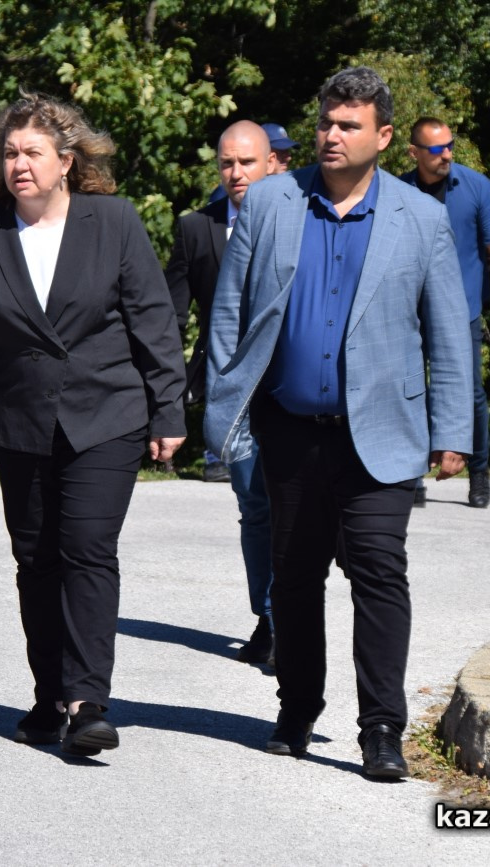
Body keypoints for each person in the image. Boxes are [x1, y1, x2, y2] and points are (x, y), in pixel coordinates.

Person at [205, 67, 473, 778]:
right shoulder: (271, 202)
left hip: (381, 432)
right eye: (326, 121)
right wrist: (223, 412)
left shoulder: (421, 218)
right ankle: (296, 707)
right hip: (289, 428)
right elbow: (229, 312)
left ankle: (381, 728)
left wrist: (453, 430)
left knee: (379, 573)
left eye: (348, 125)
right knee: (294, 577)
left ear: (383, 136)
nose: (331, 134)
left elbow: (448, 332)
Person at [0, 92, 187, 756]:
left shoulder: (115, 221)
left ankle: (87, 701)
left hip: (106, 412)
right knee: (36, 560)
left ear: (67, 161)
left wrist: (168, 408)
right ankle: (49, 695)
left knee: (87, 548)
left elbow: (153, 320)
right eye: (10, 153)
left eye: (33, 153)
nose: (19, 164)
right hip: (19, 419)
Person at [164, 120, 275, 665]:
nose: (236, 173)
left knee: (296, 507)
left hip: (293, 386)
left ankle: (287, 616)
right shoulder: (196, 229)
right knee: (254, 504)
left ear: (272, 164)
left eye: (247, 162)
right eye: (227, 163)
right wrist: (165, 393)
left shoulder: (304, 220)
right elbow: (169, 316)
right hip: (233, 390)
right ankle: (270, 618)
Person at [401, 117, 490, 509]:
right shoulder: (398, 191)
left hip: (461, 310)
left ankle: (479, 471)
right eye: (437, 148)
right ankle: (412, 476)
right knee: (409, 391)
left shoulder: (476, 187)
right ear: (414, 152)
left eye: (450, 145)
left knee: (470, 394)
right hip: (409, 312)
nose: (446, 154)